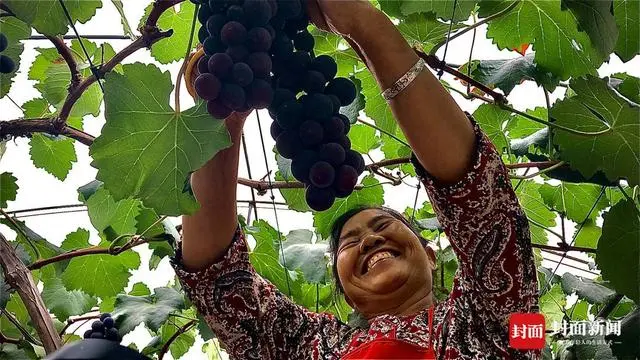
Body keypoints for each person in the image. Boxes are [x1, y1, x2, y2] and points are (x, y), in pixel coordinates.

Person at [171, 0, 541, 359]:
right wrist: (224, 103)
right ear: (345, 293)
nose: (369, 239)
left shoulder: (499, 322)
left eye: (382, 225)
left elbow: (481, 204)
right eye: (349, 243)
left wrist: (365, 24)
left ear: (431, 257)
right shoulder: (310, 348)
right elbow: (217, 279)